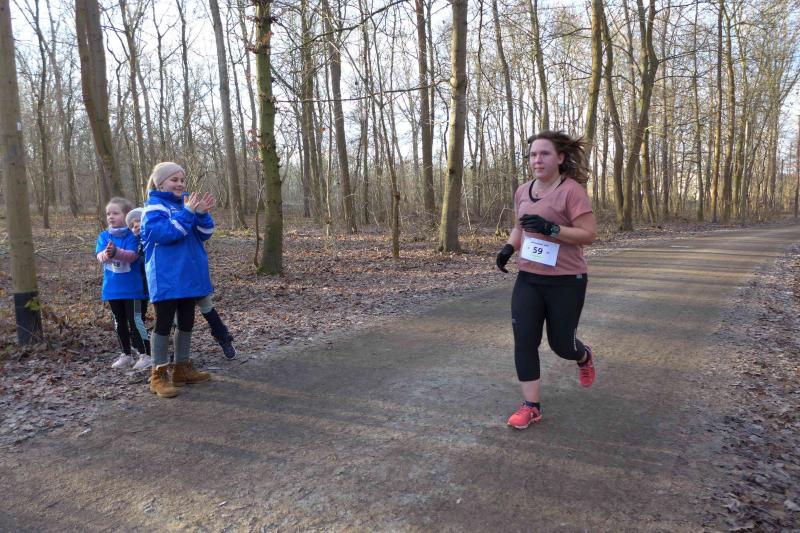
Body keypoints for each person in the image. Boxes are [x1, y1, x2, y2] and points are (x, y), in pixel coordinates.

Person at [495, 130, 598, 430]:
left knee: (562, 345)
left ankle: (583, 356)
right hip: (529, 278)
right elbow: (520, 228)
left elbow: (588, 234)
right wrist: (508, 248)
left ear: (561, 158)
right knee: (524, 340)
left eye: (544, 154)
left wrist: (551, 229)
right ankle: (531, 407)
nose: (537, 160)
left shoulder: (571, 191)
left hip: (566, 280)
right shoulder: (522, 191)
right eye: (532, 155)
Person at [141, 162, 214, 398]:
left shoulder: (186, 204)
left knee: (186, 320)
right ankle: (158, 374)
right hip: (165, 277)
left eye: (182, 179)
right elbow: (167, 233)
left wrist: (201, 214)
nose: (180, 184)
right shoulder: (153, 208)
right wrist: (189, 213)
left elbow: (204, 234)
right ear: (160, 183)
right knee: (163, 323)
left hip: (188, 274)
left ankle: (182, 369)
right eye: (174, 180)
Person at [96, 197, 151, 371]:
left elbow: (132, 255)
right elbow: (99, 256)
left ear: (127, 215)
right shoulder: (104, 236)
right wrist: (107, 254)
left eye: (115, 213)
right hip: (112, 289)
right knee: (118, 322)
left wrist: (116, 252)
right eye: (108, 214)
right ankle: (126, 354)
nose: (110, 216)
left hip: (133, 289)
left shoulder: (133, 236)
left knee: (135, 321)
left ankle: (145, 354)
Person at [125, 207, 152, 366]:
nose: (136, 227)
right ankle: (137, 343)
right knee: (137, 316)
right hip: (137, 286)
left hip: (150, 284)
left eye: (139, 223)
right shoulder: (132, 242)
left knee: (141, 315)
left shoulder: (149, 240)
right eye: (133, 225)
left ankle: (147, 347)